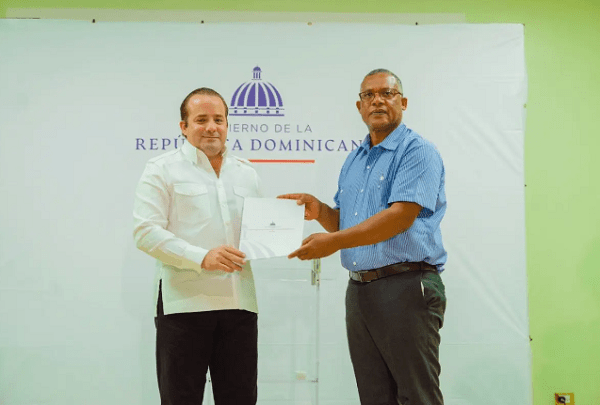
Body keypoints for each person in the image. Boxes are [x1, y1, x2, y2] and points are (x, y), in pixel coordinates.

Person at [279, 69, 447, 405]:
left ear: (403, 102)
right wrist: (320, 210)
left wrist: (333, 243)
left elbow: (400, 217)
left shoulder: (417, 151)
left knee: (417, 395)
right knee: (374, 396)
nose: (377, 101)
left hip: (406, 285)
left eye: (387, 93)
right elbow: (346, 223)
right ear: (359, 107)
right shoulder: (355, 159)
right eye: (369, 95)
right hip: (360, 291)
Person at [133, 87, 262, 405]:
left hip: (239, 305)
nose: (211, 127)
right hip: (183, 306)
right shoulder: (162, 168)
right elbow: (145, 232)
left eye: (218, 119)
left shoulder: (247, 173)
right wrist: (202, 257)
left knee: (241, 399)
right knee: (181, 399)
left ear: (227, 124)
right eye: (201, 119)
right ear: (184, 126)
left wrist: (284, 231)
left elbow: (257, 234)